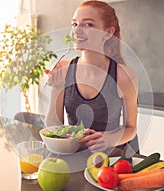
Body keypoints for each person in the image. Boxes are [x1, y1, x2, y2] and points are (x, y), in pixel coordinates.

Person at [45, 0, 138, 156]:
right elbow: (54, 127)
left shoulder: (125, 76)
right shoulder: (63, 68)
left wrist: (108, 139)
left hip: (112, 158)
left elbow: (131, 129)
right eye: (75, 24)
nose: (77, 31)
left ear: (108, 33)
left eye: (88, 25)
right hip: (73, 154)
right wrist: (56, 88)